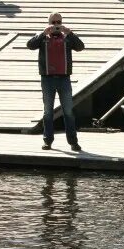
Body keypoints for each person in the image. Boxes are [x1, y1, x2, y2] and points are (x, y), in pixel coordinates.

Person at [26, 12, 85, 152]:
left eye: (59, 22)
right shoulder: (43, 37)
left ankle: (73, 142)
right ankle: (48, 141)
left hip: (64, 78)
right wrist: (42, 33)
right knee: (48, 112)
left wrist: (70, 33)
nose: (56, 25)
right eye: (53, 22)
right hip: (47, 79)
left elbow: (80, 47)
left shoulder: (67, 37)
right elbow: (30, 45)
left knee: (69, 111)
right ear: (49, 23)